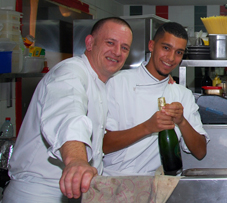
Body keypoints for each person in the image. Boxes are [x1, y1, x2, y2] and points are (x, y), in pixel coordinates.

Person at [4, 17, 133, 202]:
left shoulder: (100, 79)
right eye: (110, 43)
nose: (117, 52)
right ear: (90, 43)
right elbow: (67, 112)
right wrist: (76, 161)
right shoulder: (70, 72)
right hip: (38, 193)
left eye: (125, 47)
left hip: (70, 193)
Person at [102, 22, 208, 176]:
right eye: (166, 48)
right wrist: (147, 127)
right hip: (117, 181)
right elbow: (101, 145)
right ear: (151, 45)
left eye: (179, 52)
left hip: (162, 183)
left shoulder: (182, 94)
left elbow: (200, 152)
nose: (171, 58)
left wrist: (182, 121)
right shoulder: (116, 83)